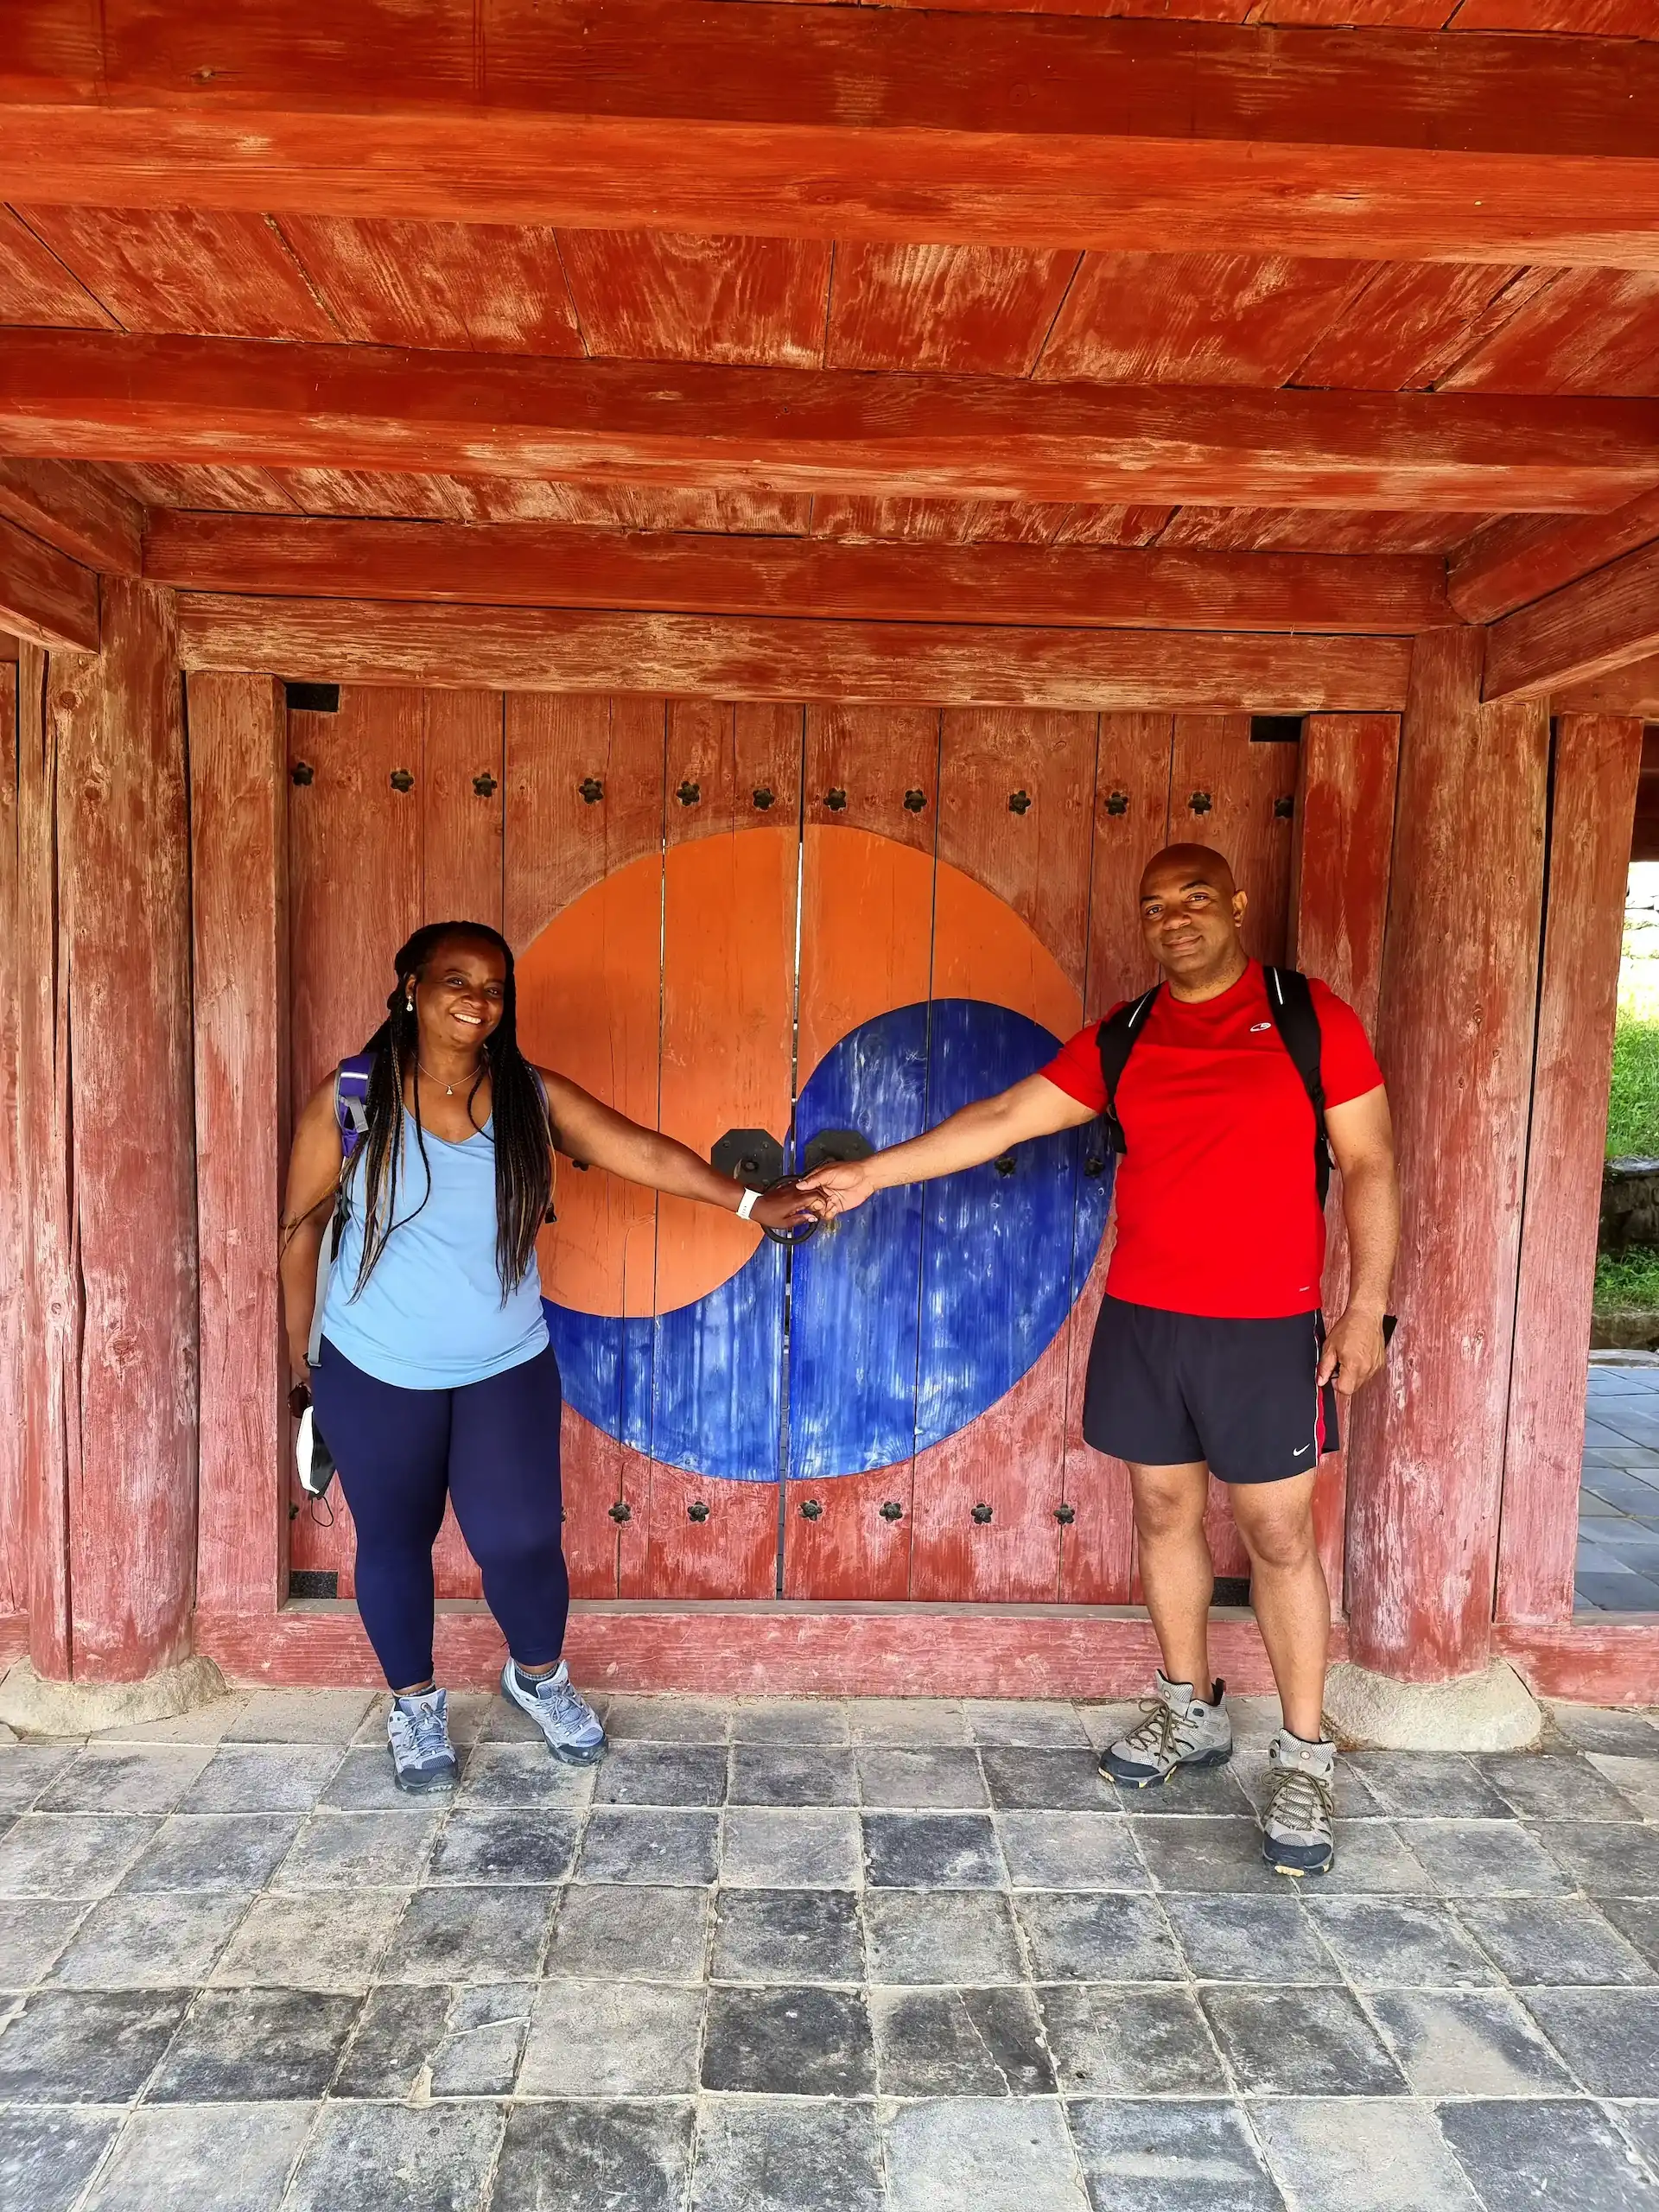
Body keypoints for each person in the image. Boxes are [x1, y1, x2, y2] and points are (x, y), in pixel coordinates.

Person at [800, 844, 1398, 1875]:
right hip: (1146, 1319)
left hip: (1266, 1327)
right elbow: (1000, 1119)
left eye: (1196, 898)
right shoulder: (1125, 1035)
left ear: (1237, 905)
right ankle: (1188, 1708)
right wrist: (871, 1175)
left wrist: (1368, 1309)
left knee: (1276, 1533)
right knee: (1163, 1513)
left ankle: (1304, 1753)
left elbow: (1371, 1160)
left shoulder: (1311, 1019)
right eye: (1155, 904)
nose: (1174, 918)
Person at [281, 920, 818, 1793]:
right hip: (373, 1367)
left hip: (504, 1364)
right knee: (392, 1539)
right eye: (456, 980)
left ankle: (538, 1674)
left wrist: (749, 1199)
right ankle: (415, 1702)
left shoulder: (527, 1096)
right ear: (411, 986)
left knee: (522, 1537)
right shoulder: (351, 1096)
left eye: (493, 987)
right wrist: (304, 1368)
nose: (477, 1001)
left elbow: (636, 1148)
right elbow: (300, 1234)